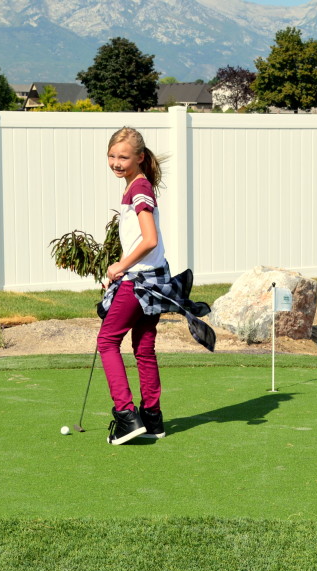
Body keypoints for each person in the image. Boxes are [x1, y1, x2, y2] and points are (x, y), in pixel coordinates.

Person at [96, 127, 216, 444]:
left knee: (107, 341)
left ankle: (126, 416)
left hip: (141, 281)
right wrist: (121, 267)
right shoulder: (139, 187)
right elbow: (141, 240)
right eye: (112, 156)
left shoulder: (138, 190)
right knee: (143, 347)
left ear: (140, 157)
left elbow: (149, 240)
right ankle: (153, 420)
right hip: (155, 279)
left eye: (123, 157)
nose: (116, 162)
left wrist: (121, 266)